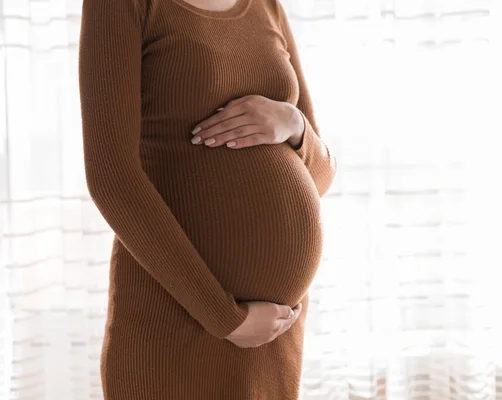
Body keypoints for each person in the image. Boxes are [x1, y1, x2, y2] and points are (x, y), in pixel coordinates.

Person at [78, 0, 336, 398]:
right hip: (178, 321)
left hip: (272, 337)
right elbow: (112, 178)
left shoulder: (267, 7)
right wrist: (224, 317)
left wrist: (293, 124)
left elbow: (321, 175)